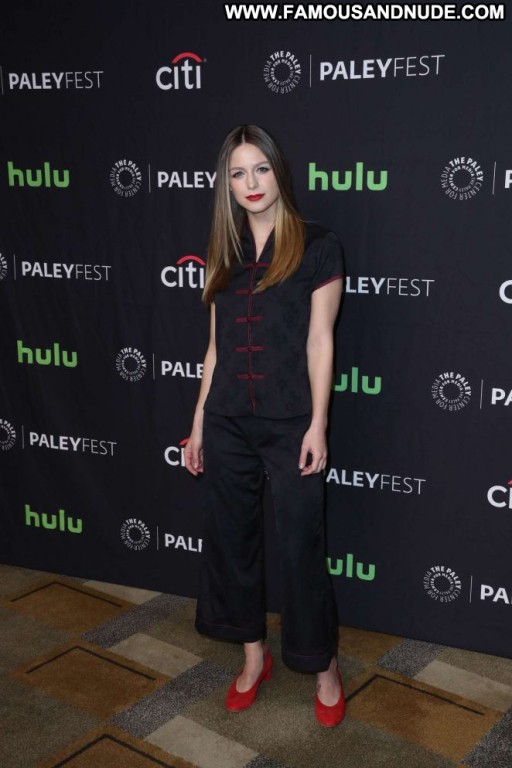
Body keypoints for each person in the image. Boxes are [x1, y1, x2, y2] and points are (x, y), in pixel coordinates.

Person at [184, 124, 345, 727]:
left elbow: (320, 341)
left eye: (260, 169)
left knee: (302, 545)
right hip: (227, 420)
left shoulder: (319, 246)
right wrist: (199, 424)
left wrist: (318, 424)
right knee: (232, 542)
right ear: (226, 184)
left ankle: (323, 665)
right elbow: (215, 350)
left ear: (279, 171)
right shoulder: (222, 253)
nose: (251, 183)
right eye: (237, 173)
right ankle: (254, 657)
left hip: (290, 422)